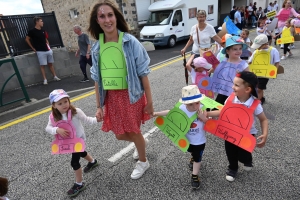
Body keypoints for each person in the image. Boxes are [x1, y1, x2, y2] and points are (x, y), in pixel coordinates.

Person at [87, 0, 154, 179]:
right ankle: (141, 142)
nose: (107, 19)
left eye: (110, 15)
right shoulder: (97, 47)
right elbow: (97, 80)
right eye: (102, 16)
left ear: (116, 17)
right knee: (119, 134)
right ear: (97, 20)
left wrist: (150, 102)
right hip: (112, 97)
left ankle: (143, 161)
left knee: (133, 130)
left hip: (132, 95)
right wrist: (99, 106)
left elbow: (143, 73)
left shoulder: (130, 42)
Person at [198, 71, 268, 182]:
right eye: (233, 84)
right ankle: (232, 168)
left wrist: (265, 134)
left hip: (247, 134)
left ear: (247, 90)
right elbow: (223, 112)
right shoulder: (230, 98)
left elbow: (263, 119)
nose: (232, 87)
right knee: (230, 151)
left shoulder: (255, 104)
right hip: (229, 131)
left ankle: (247, 160)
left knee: (243, 154)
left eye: (236, 85)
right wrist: (208, 114)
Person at [45, 89, 100, 197]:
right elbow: (48, 128)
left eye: (66, 101)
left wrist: (97, 119)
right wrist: (56, 130)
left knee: (74, 162)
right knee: (82, 153)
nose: (64, 105)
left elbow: (88, 120)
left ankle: (79, 184)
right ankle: (93, 162)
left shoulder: (76, 112)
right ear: (54, 105)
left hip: (78, 140)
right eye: (60, 103)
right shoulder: (53, 116)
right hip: (68, 142)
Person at [153, 85, 207, 189]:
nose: (195, 106)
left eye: (197, 103)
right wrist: (157, 114)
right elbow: (170, 113)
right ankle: (193, 157)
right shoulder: (181, 108)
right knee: (191, 151)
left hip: (199, 140)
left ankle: (194, 175)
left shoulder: (202, 108)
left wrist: (203, 118)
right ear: (185, 103)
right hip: (186, 139)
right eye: (191, 104)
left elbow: (209, 123)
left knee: (198, 158)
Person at [214, 36, 249, 105]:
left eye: (240, 49)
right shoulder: (224, 61)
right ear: (227, 51)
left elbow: (249, 79)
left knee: (230, 110)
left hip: (235, 93)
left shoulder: (243, 64)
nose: (238, 51)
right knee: (218, 108)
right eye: (235, 49)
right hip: (223, 90)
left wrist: (242, 76)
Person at [25, 16, 60, 85]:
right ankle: (45, 79)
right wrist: (33, 48)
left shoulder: (43, 31)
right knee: (42, 65)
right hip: (40, 51)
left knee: (50, 64)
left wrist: (48, 45)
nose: (42, 22)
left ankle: (55, 76)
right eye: (41, 21)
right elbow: (27, 39)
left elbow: (46, 39)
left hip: (47, 50)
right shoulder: (32, 31)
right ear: (37, 22)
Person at [249, 34, 280, 104]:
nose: (257, 48)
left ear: (266, 43)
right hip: (255, 73)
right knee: (257, 88)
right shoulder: (256, 51)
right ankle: (261, 98)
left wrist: (275, 73)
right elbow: (250, 61)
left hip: (264, 74)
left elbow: (277, 62)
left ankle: (257, 103)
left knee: (259, 88)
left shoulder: (273, 50)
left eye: (259, 46)